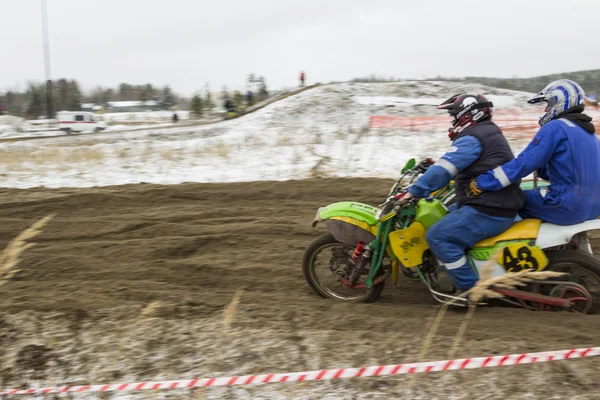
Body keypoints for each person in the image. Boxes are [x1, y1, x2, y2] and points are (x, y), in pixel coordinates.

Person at [403, 94, 524, 291]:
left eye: (455, 116)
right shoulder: (486, 132)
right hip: (493, 202)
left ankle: (469, 290)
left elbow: (445, 168)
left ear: (469, 114)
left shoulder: (474, 137)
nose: (453, 121)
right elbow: (474, 165)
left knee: (437, 236)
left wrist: (415, 191)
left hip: (489, 208)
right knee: (441, 215)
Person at [471, 79, 600, 225]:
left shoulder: (555, 127)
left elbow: (523, 164)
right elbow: (557, 172)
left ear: (561, 102)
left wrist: (483, 182)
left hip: (566, 205)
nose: (545, 110)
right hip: (594, 208)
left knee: (508, 200)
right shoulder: (590, 134)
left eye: (549, 104)